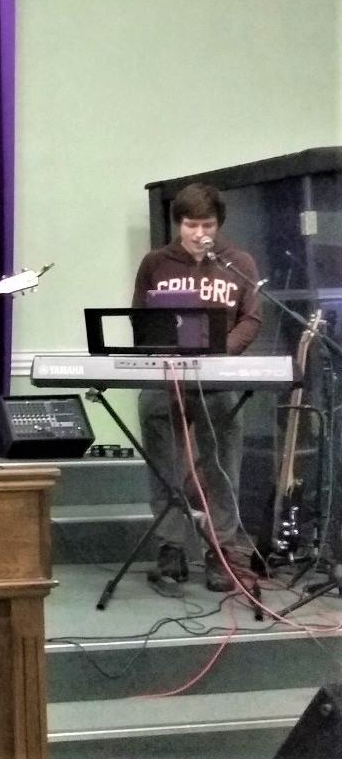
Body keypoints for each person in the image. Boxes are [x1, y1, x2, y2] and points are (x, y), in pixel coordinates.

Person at [133, 182, 262, 597]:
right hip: (168, 376)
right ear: (179, 224)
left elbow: (251, 317)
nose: (198, 233)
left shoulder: (238, 262)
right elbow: (139, 316)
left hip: (218, 380)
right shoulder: (155, 263)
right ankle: (170, 546)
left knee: (222, 464)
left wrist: (223, 351)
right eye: (191, 225)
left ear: (218, 224)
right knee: (162, 457)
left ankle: (221, 549)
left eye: (207, 225)